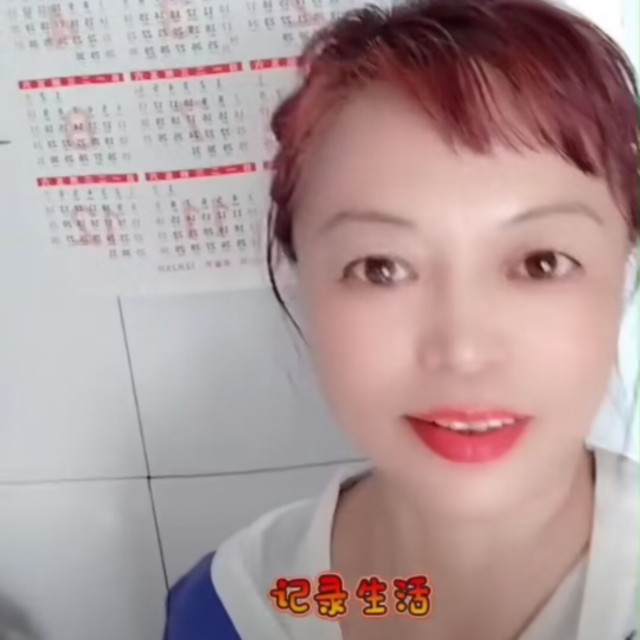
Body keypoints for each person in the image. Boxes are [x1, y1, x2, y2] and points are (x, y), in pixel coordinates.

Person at [164, 0, 639, 638]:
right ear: (303, 280)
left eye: (541, 263)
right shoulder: (233, 606)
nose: (463, 350)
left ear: (623, 266)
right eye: (381, 268)